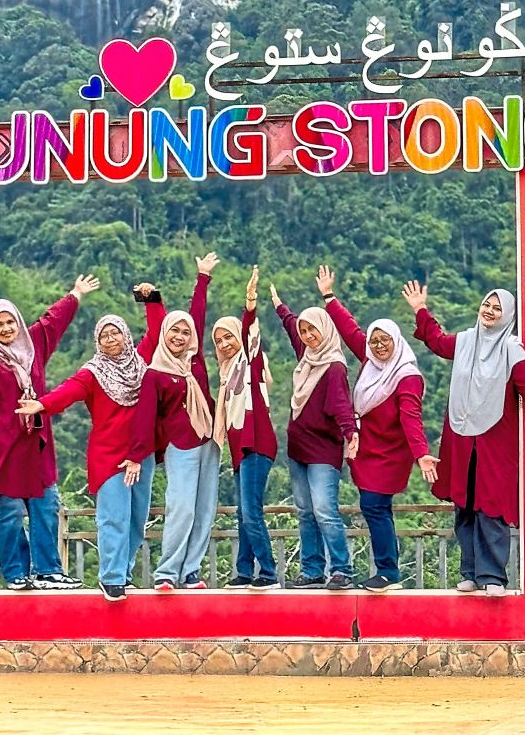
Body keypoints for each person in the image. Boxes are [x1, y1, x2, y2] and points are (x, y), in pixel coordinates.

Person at [402, 279, 525, 596]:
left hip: (495, 440)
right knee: (464, 504)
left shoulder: (511, 349)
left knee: (491, 505)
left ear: (507, 315)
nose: (490, 311)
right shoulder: (465, 341)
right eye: (487, 305)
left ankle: (493, 576)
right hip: (460, 437)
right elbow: (437, 342)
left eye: (497, 308)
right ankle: (470, 573)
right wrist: (420, 309)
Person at [0, 275, 100, 590]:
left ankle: (48, 571)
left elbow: (53, 321)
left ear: (18, 322)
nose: (6, 329)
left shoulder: (34, 344)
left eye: (10, 321)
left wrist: (76, 294)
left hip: (35, 447)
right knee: (10, 513)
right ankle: (15, 574)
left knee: (46, 505)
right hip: (2, 450)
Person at [15, 282, 164, 602]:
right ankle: (111, 578)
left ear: (126, 335)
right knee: (114, 517)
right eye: (104, 335)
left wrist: (150, 298)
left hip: (142, 453)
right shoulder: (93, 372)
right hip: (109, 457)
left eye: (115, 333)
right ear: (98, 341)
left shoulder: (141, 361)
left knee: (137, 519)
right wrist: (41, 404)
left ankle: (123, 573)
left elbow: (157, 332)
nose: (110, 339)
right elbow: (67, 391)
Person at [314, 264, 437, 593]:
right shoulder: (371, 362)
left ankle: (388, 573)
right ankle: (387, 571)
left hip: (389, 453)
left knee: (374, 506)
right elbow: (350, 330)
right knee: (374, 507)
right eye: (375, 340)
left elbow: (411, 417)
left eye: (385, 340)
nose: (379, 345)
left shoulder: (406, 376)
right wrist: (329, 296)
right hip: (367, 450)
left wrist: (422, 454)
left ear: (397, 342)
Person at [122, 253, 220, 591]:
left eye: (184, 332)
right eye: (173, 330)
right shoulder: (156, 373)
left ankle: (190, 571)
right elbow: (145, 417)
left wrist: (203, 278)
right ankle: (166, 572)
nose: (179, 336)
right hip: (180, 446)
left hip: (209, 442)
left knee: (204, 509)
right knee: (181, 508)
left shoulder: (195, 361)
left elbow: (198, 316)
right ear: (164, 333)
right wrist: (136, 455)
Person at [270, 282, 358, 590]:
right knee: (305, 512)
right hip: (298, 449)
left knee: (324, 510)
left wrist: (351, 433)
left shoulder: (333, 367)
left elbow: (341, 405)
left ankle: (342, 570)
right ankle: (312, 571)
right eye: (305, 331)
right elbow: (292, 328)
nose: (308, 336)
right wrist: (280, 307)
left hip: (323, 451)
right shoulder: (308, 358)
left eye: (313, 331)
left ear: (325, 330)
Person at [211, 265, 279, 591]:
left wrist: (250, 303)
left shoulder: (250, 363)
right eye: (219, 340)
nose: (225, 343)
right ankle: (244, 571)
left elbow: (252, 333)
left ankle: (268, 572)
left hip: (257, 442)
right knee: (243, 513)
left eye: (229, 336)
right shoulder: (225, 375)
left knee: (251, 511)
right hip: (241, 448)